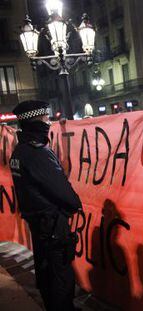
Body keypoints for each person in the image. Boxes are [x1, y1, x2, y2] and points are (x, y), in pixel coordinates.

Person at [9, 100, 82, 311]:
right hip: (52, 224)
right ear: (36, 121)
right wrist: (75, 203)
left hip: (38, 223)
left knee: (45, 269)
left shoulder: (20, 152)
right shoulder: (38, 152)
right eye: (45, 118)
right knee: (60, 275)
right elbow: (60, 189)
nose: (49, 122)